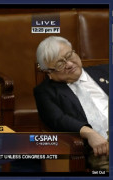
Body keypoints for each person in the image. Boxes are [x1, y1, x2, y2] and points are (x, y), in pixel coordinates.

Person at [34, 36, 109, 171]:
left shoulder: (107, 71)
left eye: (69, 55)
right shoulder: (45, 92)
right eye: (59, 64)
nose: (69, 64)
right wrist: (89, 133)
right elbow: (57, 119)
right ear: (49, 73)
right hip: (100, 147)